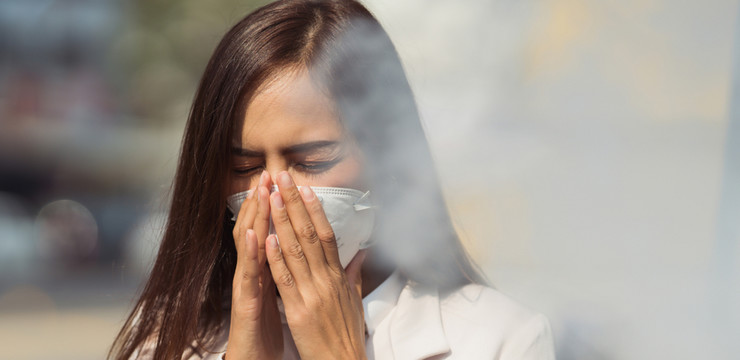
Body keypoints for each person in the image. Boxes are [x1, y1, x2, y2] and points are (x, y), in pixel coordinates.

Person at [110, 1, 555, 359]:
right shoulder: (164, 339)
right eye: (246, 167)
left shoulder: (500, 339)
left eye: (312, 160)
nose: (275, 193)